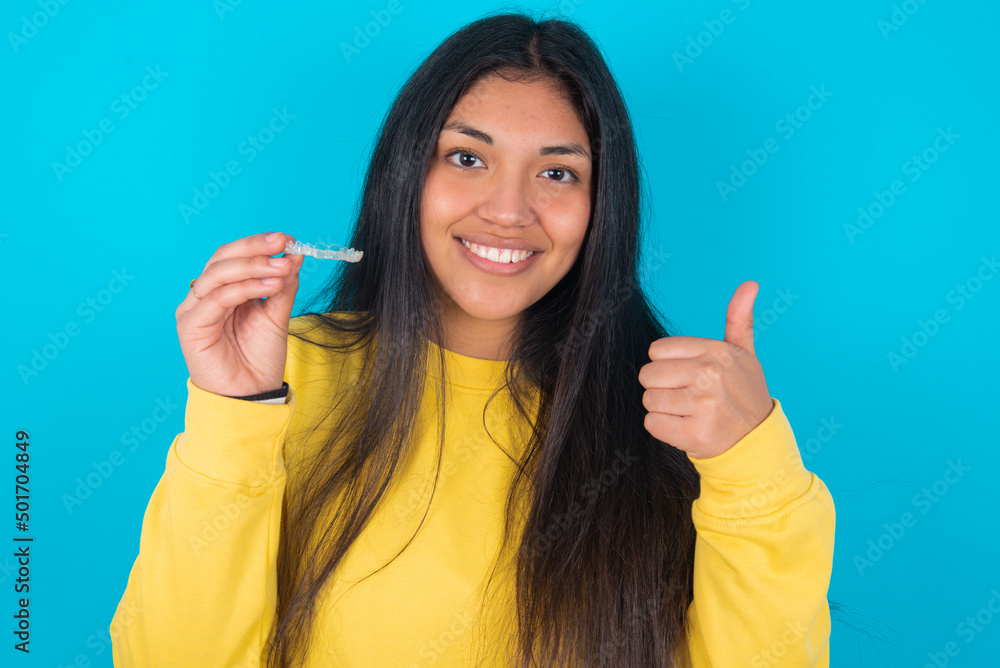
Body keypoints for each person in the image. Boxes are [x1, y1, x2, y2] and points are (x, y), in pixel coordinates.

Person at [110, 11, 835, 667]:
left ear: (601, 206)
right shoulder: (281, 379)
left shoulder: (685, 419)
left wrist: (752, 471)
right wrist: (233, 414)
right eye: (466, 158)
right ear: (405, 174)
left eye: (557, 172)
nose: (509, 211)